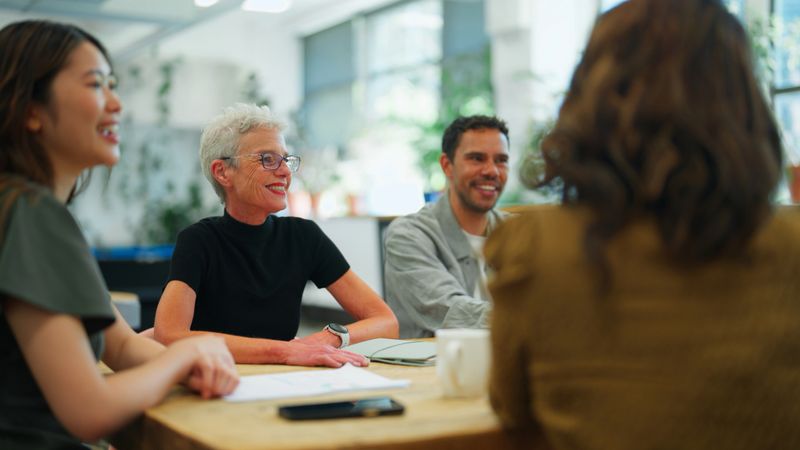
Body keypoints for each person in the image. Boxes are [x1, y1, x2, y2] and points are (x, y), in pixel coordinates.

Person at [485, 1, 800, 449]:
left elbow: (513, 410)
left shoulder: (536, 249)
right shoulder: (791, 247)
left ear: (590, 97)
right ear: (744, 100)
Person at [0, 20, 239, 449]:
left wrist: (192, 361)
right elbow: (89, 411)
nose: (116, 104)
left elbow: (123, 346)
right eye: (96, 85)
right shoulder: (29, 213)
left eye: (113, 84)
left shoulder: (25, 207)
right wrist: (185, 354)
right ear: (29, 109)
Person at [153, 103, 398, 366]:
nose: (284, 172)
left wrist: (329, 339)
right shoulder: (198, 241)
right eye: (267, 159)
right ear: (223, 172)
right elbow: (170, 335)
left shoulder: (303, 237)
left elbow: (386, 322)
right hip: (215, 380)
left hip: (282, 381)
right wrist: (284, 351)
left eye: (285, 159)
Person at [384, 115, 509, 338]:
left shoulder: (517, 231)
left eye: (501, 160)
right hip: (432, 369)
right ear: (447, 165)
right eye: (477, 158)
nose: (492, 171)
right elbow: (447, 311)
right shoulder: (408, 235)